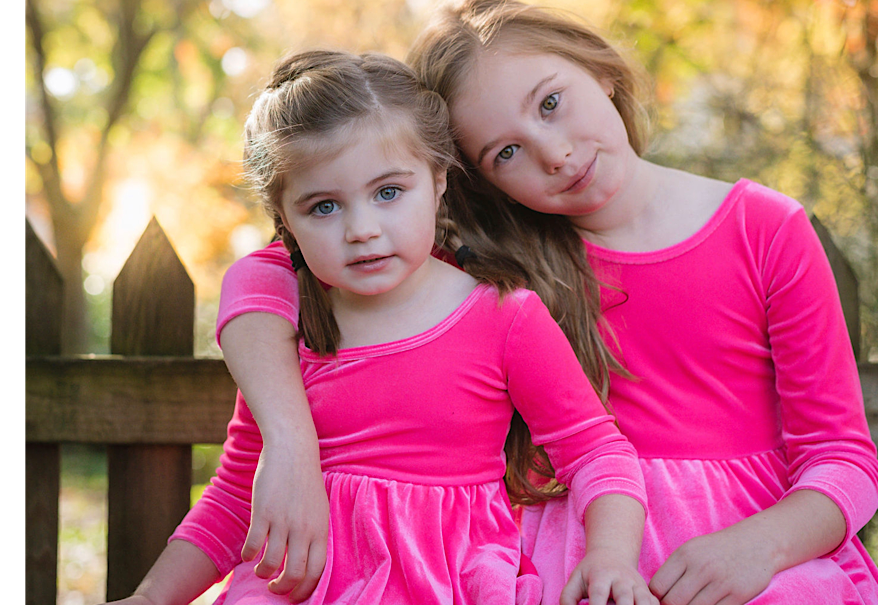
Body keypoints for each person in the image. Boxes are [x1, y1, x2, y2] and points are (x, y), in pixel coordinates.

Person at [215, 0, 878, 605]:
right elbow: (268, 272)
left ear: (600, 68)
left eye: (551, 103)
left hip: (748, 539)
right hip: (567, 546)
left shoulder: (764, 226)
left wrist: (763, 548)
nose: (551, 152)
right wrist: (290, 441)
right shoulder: (486, 259)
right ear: (471, 180)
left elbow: (844, 458)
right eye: (505, 152)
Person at [104, 49, 656, 605]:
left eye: (388, 192)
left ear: (439, 180)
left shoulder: (502, 315)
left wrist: (610, 556)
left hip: (448, 585)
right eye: (324, 207)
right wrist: (151, 598)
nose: (362, 230)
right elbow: (235, 498)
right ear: (285, 219)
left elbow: (595, 452)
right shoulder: (289, 336)